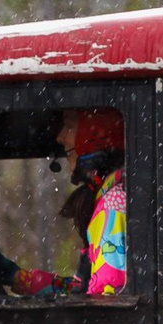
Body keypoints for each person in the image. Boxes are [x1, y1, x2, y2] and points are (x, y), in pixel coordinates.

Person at [57, 109, 128, 296]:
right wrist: (22, 278)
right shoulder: (111, 194)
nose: (60, 137)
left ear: (97, 133)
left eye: (69, 126)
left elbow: (107, 297)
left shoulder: (113, 205)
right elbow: (85, 286)